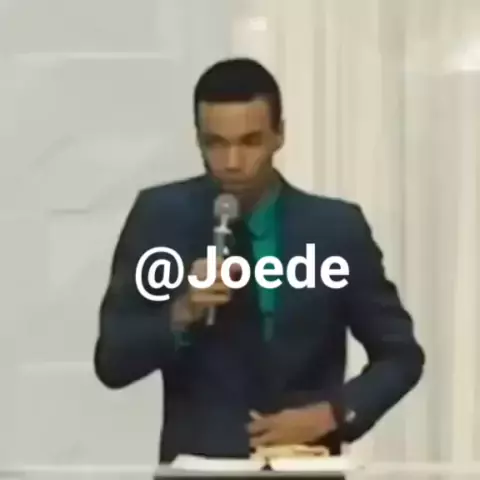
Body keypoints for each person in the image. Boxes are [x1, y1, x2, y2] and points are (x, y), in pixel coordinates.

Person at [93, 58, 425, 465]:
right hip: (200, 469)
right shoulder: (161, 216)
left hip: (304, 466)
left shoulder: (335, 229)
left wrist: (332, 414)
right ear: (197, 139)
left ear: (279, 134)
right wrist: (182, 311)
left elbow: (401, 356)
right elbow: (112, 362)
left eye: (250, 141)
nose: (232, 161)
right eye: (215, 143)